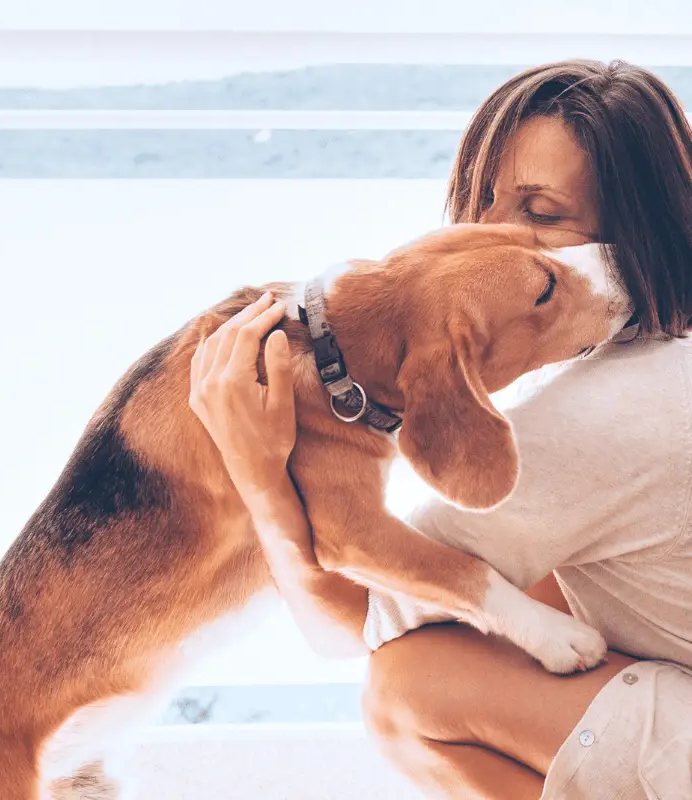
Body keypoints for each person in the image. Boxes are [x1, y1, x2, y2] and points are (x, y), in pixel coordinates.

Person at [188, 60, 692, 799]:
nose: (488, 241)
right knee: (536, 602)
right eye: (481, 200)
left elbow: (347, 624)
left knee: (409, 684)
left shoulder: (597, 416)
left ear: (627, 238)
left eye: (540, 213)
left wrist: (256, 469)